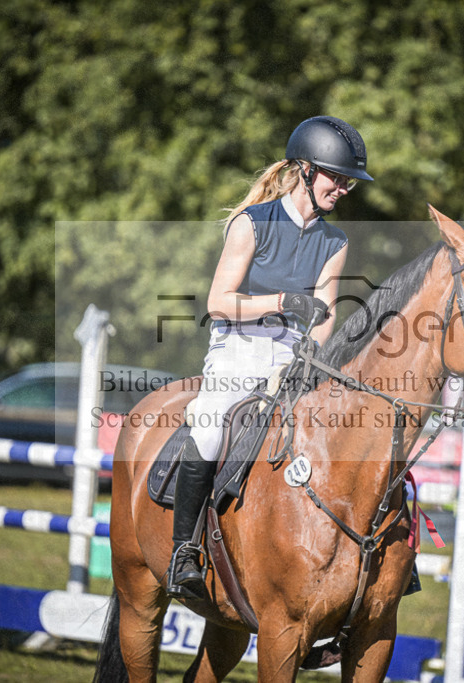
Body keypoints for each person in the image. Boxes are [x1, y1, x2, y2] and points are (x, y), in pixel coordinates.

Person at [168, 115, 373, 597]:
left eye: (348, 183)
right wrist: (280, 303)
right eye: (336, 177)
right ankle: (184, 552)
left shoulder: (335, 241)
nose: (343, 189)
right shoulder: (251, 223)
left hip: (293, 355)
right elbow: (219, 301)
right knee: (212, 422)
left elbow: (323, 315)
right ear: (305, 169)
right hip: (237, 349)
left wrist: (313, 353)